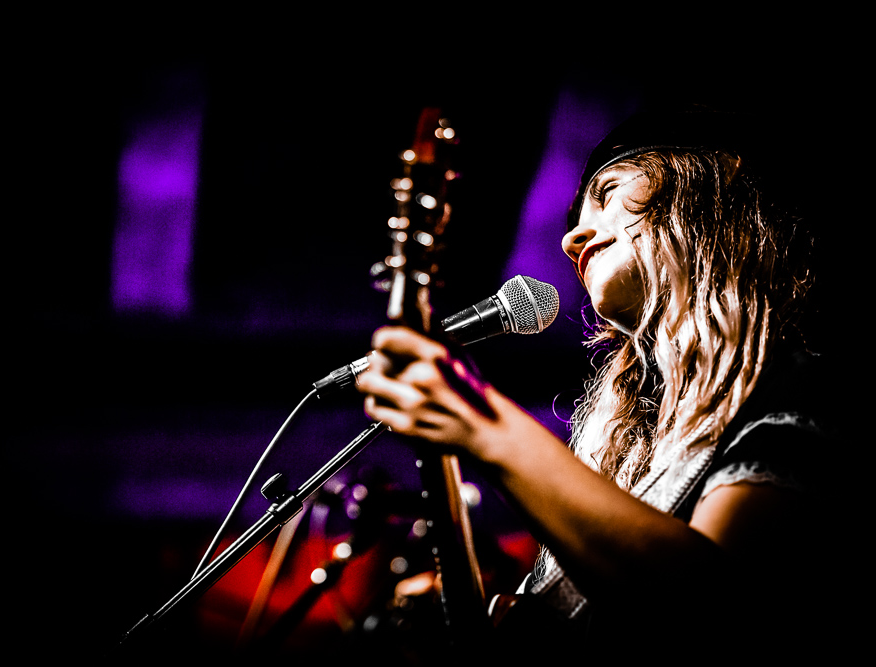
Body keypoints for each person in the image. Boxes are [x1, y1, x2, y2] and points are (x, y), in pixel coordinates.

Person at [355, 108, 840, 657]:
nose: (571, 239)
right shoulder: (632, 430)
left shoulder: (806, 388)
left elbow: (715, 610)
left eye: (608, 193)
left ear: (709, 193)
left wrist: (482, 426)